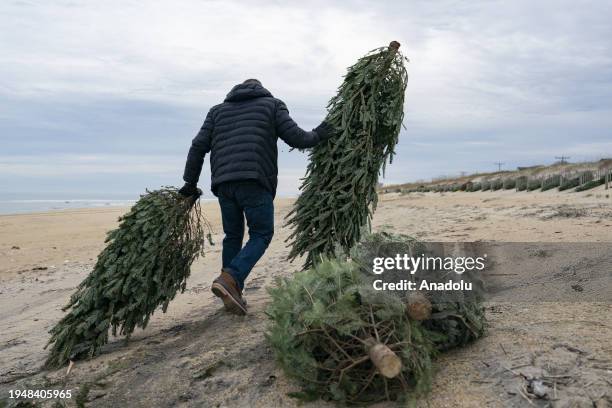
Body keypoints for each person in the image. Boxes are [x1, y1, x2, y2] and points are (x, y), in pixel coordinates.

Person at [178, 79, 332, 315]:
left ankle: (231, 288)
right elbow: (298, 138)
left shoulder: (217, 112)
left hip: (223, 183)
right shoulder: (272, 105)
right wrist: (320, 133)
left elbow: (197, 146)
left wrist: (189, 184)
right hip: (254, 180)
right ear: (262, 90)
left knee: (233, 235)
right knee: (261, 233)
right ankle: (230, 278)